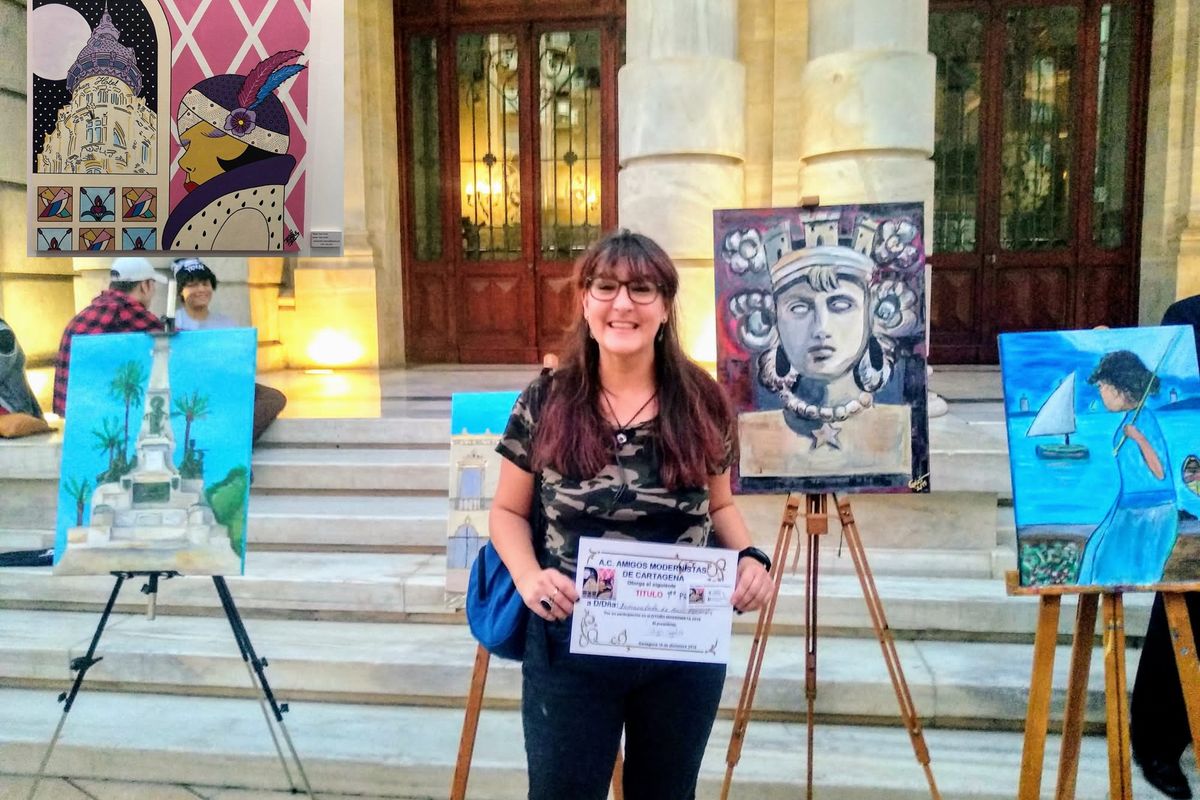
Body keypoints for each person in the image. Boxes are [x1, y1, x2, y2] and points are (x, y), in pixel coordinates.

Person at [489, 230, 773, 800]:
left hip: (681, 648)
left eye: (642, 289)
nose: (623, 303)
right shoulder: (545, 400)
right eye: (607, 287)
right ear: (586, 302)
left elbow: (719, 505)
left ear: (665, 307)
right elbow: (505, 511)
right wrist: (527, 576)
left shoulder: (702, 401)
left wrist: (750, 558)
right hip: (570, 642)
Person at [1131, 294, 1200, 800]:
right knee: (1183, 615)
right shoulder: (1187, 316)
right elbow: (1164, 397)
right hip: (1196, 496)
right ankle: (1158, 743)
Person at [162, 50, 306, 251]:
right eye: (186, 147)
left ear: (233, 146)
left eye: (192, 145)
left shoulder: (245, 212)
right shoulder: (245, 206)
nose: (183, 163)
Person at [1075, 350, 1177, 586]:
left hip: (1151, 513)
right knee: (1094, 556)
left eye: (1102, 386)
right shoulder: (1131, 419)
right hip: (1130, 507)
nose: (1100, 393)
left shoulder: (1144, 421)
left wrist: (1139, 438)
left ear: (1119, 388)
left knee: (1105, 568)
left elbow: (1160, 473)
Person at [172, 257, 287, 442]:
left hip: (226, 385)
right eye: (192, 285)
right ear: (181, 291)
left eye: (205, 283)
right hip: (190, 390)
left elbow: (239, 361)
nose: (201, 289)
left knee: (273, 398)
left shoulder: (226, 323)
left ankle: (237, 440)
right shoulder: (173, 323)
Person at [52, 257, 165, 418]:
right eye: (153, 285)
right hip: (111, 417)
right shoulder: (130, 313)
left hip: (74, 415)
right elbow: (175, 343)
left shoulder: (81, 317)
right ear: (145, 285)